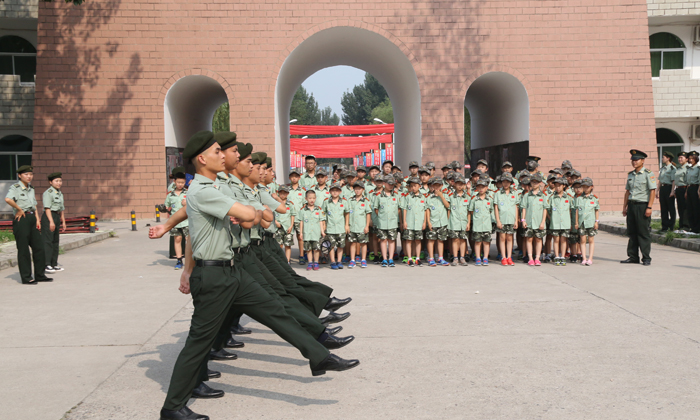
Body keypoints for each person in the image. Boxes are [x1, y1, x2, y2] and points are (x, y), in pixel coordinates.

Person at [158, 132, 358, 420]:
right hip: (213, 276)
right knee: (199, 341)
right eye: (217, 151)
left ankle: (319, 356)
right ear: (202, 159)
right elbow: (250, 215)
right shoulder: (203, 191)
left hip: (232, 271)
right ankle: (172, 407)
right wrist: (249, 212)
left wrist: (251, 212)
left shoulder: (213, 188)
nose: (224, 155)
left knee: (274, 308)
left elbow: (254, 216)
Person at [4, 165, 52, 285]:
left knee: (39, 248)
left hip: (31, 218)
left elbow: (34, 204)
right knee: (24, 249)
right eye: (26, 174)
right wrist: (19, 209)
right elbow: (8, 199)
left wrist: (37, 219)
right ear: (20, 176)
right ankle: (26, 277)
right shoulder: (15, 187)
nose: (29, 176)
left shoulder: (31, 188)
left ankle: (40, 275)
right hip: (22, 219)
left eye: (30, 174)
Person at [621, 149, 657, 265]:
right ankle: (633, 257)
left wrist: (649, 207)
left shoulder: (648, 174)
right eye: (633, 160)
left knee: (643, 232)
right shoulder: (631, 175)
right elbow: (627, 192)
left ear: (643, 160)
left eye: (637, 160)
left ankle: (646, 258)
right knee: (632, 233)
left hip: (642, 206)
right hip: (632, 205)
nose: (634, 162)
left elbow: (652, 191)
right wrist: (625, 207)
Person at [42, 172, 66, 273]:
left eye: (60, 181)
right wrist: (51, 222)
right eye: (56, 181)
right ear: (50, 182)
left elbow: (61, 209)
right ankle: (47, 264)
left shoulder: (60, 193)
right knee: (48, 241)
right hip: (49, 217)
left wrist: (63, 221)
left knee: (55, 241)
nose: (59, 183)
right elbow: (47, 208)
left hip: (56, 216)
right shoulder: (48, 193)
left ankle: (54, 264)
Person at [373, 175, 400, 267]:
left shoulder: (396, 195)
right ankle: (384, 258)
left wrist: (394, 216)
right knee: (383, 240)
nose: (391, 186)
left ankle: (391, 258)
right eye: (389, 184)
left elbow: (398, 209)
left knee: (392, 240)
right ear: (384, 184)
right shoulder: (379, 196)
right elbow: (376, 209)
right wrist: (382, 217)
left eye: (392, 184)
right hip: (382, 222)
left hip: (393, 222)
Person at [521, 174, 548, 266]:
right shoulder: (527, 195)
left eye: (536, 182)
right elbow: (523, 208)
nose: (534, 184)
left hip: (539, 222)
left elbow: (545, 209)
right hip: (529, 221)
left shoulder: (543, 196)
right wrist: (523, 220)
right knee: (529, 239)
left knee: (538, 239)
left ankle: (537, 258)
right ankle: (530, 258)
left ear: (540, 183)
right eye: (533, 182)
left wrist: (543, 222)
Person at [400, 176, 428, 267]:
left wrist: (424, 222)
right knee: (409, 240)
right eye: (411, 186)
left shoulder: (423, 197)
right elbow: (404, 209)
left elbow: (424, 210)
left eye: (415, 186)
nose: (413, 188)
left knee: (418, 241)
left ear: (419, 186)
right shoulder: (407, 197)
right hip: (409, 222)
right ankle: (409, 258)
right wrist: (404, 221)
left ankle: (418, 258)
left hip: (419, 223)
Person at [164, 172, 188, 269]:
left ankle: (191, 261)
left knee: (189, 240)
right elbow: (167, 205)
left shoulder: (188, 193)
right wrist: (163, 208)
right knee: (177, 239)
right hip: (175, 222)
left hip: (187, 221)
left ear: (185, 182)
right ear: (174, 182)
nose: (180, 184)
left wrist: (187, 203)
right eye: (178, 182)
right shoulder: (170, 195)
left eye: (182, 182)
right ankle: (179, 260)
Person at [494, 173, 518, 266]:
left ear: (511, 182)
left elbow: (516, 207)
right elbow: (496, 207)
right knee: (502, 238)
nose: (505, 183)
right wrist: (498, 220)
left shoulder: (514, 193)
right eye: (504, 181)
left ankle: (509, 257)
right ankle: (503, 257)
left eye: (507, 181)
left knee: (510, 238)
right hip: (502, 219)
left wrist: (516, 220)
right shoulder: (498, 193)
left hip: (511, 219)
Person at [346, 181, 372, 268]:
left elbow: (368, 213)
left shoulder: (366, 201)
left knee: (363, 244)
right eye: (356, 189)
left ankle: (363, 260)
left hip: (362, 226)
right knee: (352, 243)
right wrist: (347, 225)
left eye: (359, 189)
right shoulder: (350, 200)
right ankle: (352, 260)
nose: (357, 191)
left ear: (363, 190)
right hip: (352, 226)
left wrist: (367, 226)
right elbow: (347, 213)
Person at [546, 177, 572, 266]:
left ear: (564, 186)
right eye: (556, 186)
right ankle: (557, 256)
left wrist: (570, 221)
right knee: (556, 240)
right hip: (555, 223)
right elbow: (547, 210)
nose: (558, 188)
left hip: (565, 223)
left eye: (559, 186)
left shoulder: (568, 197)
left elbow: (571, 209)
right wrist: (551, 219)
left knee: (564, 240)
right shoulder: (552, 198)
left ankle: (562, 256)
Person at [468, 178, 493, 266]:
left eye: (483, 187)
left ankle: (485, 258)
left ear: (486, 188)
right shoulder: (474, 199)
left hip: (486, 225)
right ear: (476, 188)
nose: (481, 189)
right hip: (477, 225)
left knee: (486, 242)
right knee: (477, 242)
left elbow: (491, 210)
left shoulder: (489, 199)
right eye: (479, 187)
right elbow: (470, 211)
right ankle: (478, 258)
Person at [425, 177, 450, 266]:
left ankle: (440, 258)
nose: (436, 187)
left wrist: (441, 196)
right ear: (432, 186)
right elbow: (427, 210)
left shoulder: (445, 195)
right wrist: (428, 222)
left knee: (440, 240)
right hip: (433, 221)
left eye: (438, 185)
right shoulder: (428, 197)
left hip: (442, 222)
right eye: (435, 185)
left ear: (442, 186)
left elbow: (448, 206)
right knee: (431, 240)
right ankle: (431, 258)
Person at [322, 182, 347, 269]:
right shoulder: (326, 202)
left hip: (341, 227)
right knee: (331, 245)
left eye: (337, 190)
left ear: (340, 191)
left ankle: (339, 261)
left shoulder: (344, 202)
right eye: (333, 190)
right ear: (330, 191)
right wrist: (324, 225)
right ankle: (333, 261)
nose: (335, 192)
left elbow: (347, 213)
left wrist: (347, 225)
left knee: (340, 245)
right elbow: (323, 214)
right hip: (330, 228)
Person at [576, 177, 600, 266]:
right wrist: (576, 222)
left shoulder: (594, 198)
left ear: (591, 187)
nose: (585, 189)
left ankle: (590, 258)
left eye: (587, 187)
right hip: (582, 222)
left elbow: (596, 210)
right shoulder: (579, 198)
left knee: (591, 240)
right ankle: (584, 258)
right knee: (582, 240)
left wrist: (596, 221)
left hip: (590, 222)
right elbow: (577, 211)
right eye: (584, 187)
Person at [298, 190, 324, 271]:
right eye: (309, 198)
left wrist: (322, 231)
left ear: (315, 198)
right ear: (306, 198)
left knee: (316, 249)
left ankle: (316, 262)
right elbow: (301, 222)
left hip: (316, 233)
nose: (311, 200)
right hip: (307, 233)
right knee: (308, 249)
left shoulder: (318, 209)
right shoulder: (303, 210)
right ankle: (310, 262)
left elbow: (321, 221)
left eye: (313, 198)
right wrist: (301, 233)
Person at [447, 174, 469, 266]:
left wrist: (468, 223)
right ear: (454, 184)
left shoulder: (467, 197)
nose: (460, 186)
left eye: (461, 184)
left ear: (464, 185)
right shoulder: (451, 196)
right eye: (458, 183)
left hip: (464, 222)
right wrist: (448, 222)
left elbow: (469, 211)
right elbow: (449, 210)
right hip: (454, 222)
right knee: (455, 239)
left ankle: (462, 257)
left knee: (463, 240)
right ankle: (455, 257)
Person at [287, 168, 307, 264]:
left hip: (299, 218)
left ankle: (302, 255)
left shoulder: (303, 190)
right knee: (288, 237)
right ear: (289, 177)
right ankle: (287, 257)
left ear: (299, 178)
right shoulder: (286, 190)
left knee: (300, 237)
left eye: (296, 176)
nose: (294, 178)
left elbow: (304, 204)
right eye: (292, 176)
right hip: (289, 218)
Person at [274, 185, 296, 264]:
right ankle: (279, 261)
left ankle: (287, 261)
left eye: (285, 193)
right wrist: (275, 221)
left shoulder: (290, 204)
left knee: (288, 245)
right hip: (278, 227)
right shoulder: (275, 203)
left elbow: (292, 215)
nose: (283, 194)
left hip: (287, 227)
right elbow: (272, 213)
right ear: (278, 193)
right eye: (281, 193)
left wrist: (291, 226)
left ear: (287, 193)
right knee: (279, 245)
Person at [657, 151, 677, 232]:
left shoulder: (672, 168)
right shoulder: (663, 168)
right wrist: (657, 190)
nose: (662, 158)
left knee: (670, 208)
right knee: (663, 208)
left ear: (668, 158)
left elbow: (673, 181)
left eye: (663, 157)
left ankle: (671, 226)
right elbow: (660, 181)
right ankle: (664, 226)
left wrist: (672, 191)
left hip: (669, 188)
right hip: (663, 189)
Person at [672, 152, 690, 231]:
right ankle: (681, 225)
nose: (679, 159)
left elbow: (688, 181)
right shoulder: (678, 168)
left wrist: (686, 191)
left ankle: (686, 226)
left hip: (685, 189)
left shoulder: (688, 168)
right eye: (679, 158)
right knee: (680, 207)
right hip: (679, 189)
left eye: (682, 158)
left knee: (686, 208)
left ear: (687, 159)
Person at [685, 151, 700, 234]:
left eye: (692, 158)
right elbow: (688, 182)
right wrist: (686, 192)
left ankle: (697, 228)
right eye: (689, 158)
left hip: (696, 188)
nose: (690, 160)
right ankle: (692, 227)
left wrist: (698, 191)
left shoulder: (698, 168)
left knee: (696, 209)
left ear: (696, 159)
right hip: (690, 188)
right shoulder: (689, 169)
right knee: (689, 209)